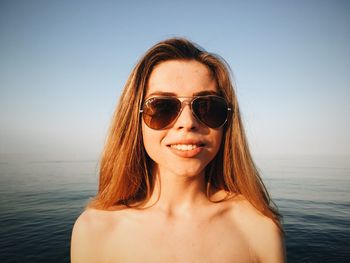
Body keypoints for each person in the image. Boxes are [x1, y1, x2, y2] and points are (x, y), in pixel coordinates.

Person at [71, 38, 285, 262]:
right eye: (162, 106)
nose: (187, 122)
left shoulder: (259, 227)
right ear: (134, 120)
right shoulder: (94, 230)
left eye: (207, 106)